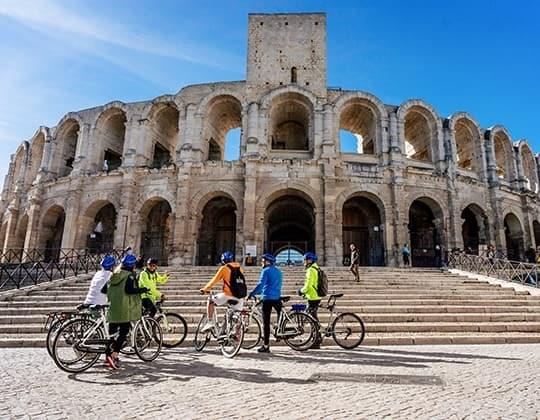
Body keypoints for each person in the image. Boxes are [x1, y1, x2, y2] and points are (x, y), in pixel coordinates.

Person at [104, 254, 149, 370]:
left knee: (112, 334)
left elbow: (104, 289)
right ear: (132, 265)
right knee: (124, 331)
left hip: (112, 307)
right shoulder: (129, 275)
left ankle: (107, 356)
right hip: (123, 308)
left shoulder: (114, 274)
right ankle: (114, 355)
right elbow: (129, 290)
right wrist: (143, 289)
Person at [199, 251, 244, 332]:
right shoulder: (239, 268)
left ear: (223, 261)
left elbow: (214, 280)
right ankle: (235, 335)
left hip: (228, 295)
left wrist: (205, 289)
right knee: (234, 316)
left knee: (210, 301)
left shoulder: (224, 268)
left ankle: (210, 322)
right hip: (240, 296)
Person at [248, 253, 283, 353]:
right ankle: (279, 330)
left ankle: (266, 345)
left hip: (267, 298)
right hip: (277, 297)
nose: (261, 263)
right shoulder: (278, 271)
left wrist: (252, 293)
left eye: (263, 261)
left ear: (268, 262)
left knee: (266, 323)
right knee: (280, 314)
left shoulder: (265, 271)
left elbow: (261, 285)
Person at [299, 252, 322, 349]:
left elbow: (308, 285)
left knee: (312, 319)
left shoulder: (311, 270)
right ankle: (317, 338)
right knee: (314, 318)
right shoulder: (316, 268)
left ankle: (316, 340)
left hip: (312, 297)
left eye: (305, 260)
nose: (304, 262)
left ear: (309, 260)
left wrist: (301, 291)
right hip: (316, 296)